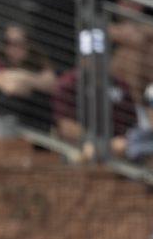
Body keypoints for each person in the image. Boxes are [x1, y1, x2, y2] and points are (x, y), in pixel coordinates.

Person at [52, 28, 137, 160]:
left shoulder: (120, 85)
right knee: (84, 154)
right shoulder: (68, 84)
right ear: (82, 58)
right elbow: (66, 126)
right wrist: (97, 143)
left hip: (118, 148)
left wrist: (115, 143)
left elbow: (132, 124)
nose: (96, 62)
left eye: (100, 56)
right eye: (90, 57)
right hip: (79, 146)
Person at [0, 24, 57, 133]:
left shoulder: (38, 63)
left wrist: (22, 78)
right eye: (9, 43)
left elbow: (52, 84)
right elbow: (12, 88)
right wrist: (34, 84)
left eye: (19, 43)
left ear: (28, 45)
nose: (14, 48)